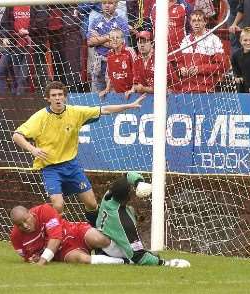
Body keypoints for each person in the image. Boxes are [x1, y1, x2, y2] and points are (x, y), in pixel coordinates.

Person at [12, 81, 146, 226]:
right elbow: (17, 135)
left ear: (65, 97)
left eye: (60, 95)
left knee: (91, 203)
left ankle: (97, 231)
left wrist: (129, 106)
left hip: (71, 166)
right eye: (54, 95)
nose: (57, 98)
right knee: (57, 205)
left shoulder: (75, 112)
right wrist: (32, 149)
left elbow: (105, 109)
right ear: (48, 98)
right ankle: (58, 236)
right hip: (51, 168)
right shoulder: (40, 117)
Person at [96, 171, 191, 267]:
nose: (133, 191)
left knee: (132, 211)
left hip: (103, 237)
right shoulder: (124, 220)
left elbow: (127, 175)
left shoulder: (108, 195)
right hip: (112, 248)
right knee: (145, 256)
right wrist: (165, 263)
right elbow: (138, 256)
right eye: (131, 191)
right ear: (127, 197)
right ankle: (122, 260)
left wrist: (138, 182)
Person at [10, 204, 131, 265]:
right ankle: (124, 262)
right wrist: (34, 258)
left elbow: (55, 237)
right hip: (62, 251)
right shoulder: (16, 237)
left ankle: (133, 255)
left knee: (99, 239)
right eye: (20, 225)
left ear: (30, 213)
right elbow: (27, 257)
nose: (25, 225)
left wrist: (43, 260)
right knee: (82, 259)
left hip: (74, 232)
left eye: (26, 220)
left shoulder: (44, 210)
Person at [175, 9, 228, 93]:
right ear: (190, 23)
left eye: (199, 20)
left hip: (206, 89)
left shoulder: (214, 39)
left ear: (205, 22)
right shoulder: (185, 40)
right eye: (194, 21)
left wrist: (199, 69)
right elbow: (179, 61)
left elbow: (222, 66)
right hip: (186, 89)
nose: (196, 23)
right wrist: (181, 68)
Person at [87, 0, 129, 92]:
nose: (107, 6)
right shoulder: (96, 21)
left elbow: (121, 45)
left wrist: (98, 39)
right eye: (104, 3)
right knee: (97, 95)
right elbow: (90, 42)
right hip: (99, 63)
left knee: (114, 94)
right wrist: (110, 37)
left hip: (115, 64)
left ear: (116, 4)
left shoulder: (122, 22)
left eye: (110, 3)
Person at [99, 29, 137, 99]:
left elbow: (137, 72)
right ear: (109, 41)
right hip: (118, 94)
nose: (115, 40)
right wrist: (107, 89)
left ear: (122, 40)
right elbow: (109, 75)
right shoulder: (110, 54)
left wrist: (133, 89)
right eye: (112, 38)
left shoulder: (129, 51)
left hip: (132, 93)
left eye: (117, 37)